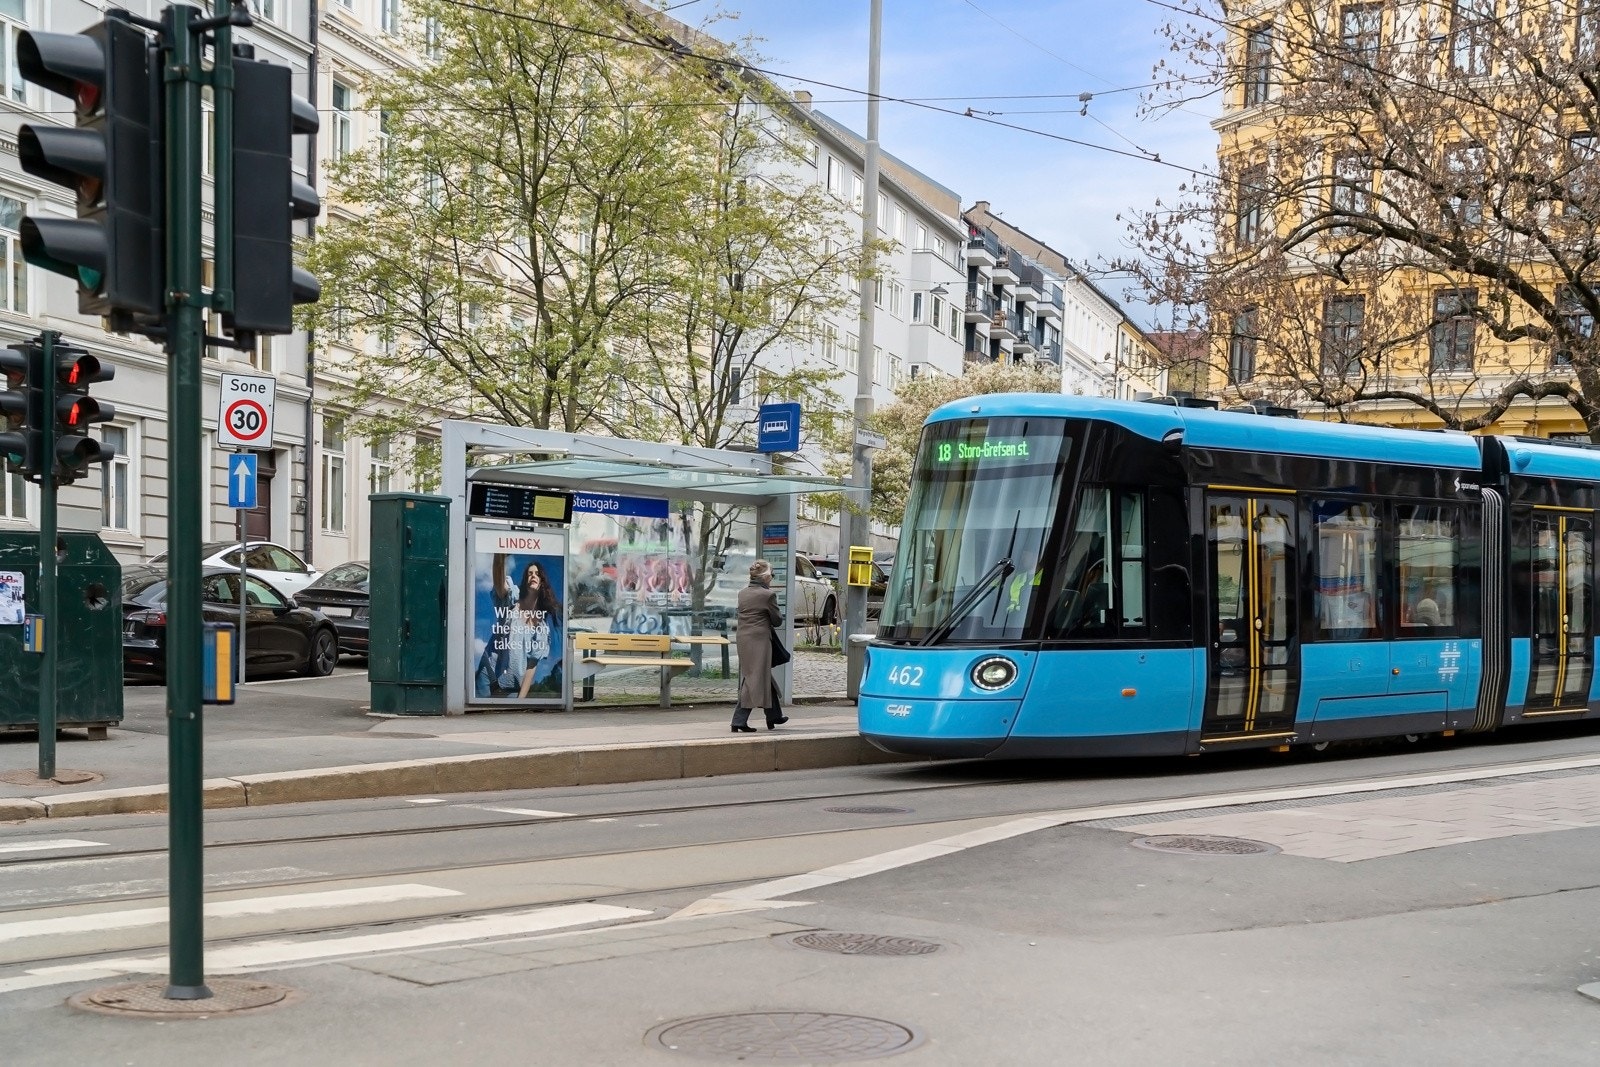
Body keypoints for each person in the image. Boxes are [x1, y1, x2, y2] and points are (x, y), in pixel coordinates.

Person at [731, 558, 788, 733]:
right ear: (765, 577)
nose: (772, 578)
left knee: (758, 674)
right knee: (754, 677)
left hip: (744, 639)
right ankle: (738, 720)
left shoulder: (742, 593)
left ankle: (774, 716)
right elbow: (777, 620)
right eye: (772, 575)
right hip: (759, 640)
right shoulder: (767, 595)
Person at [513, 560, 564, 697]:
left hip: (513, 686)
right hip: (491, 673)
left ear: (542, 581)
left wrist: (520, 701)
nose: (533, 576)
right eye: (530, 574)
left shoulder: (541, 628)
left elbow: (531, 668)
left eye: (537, 574)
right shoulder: (514, 602)